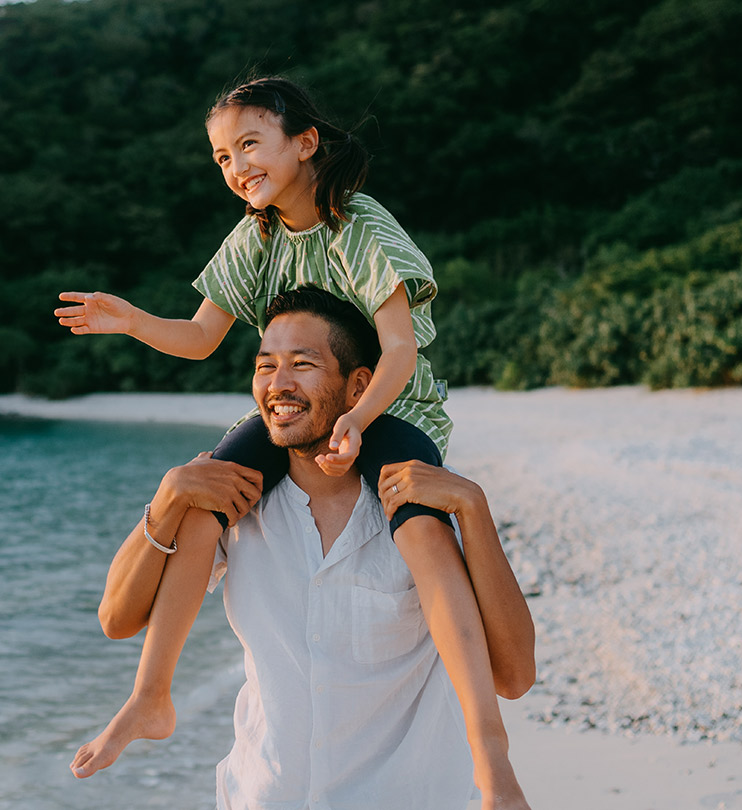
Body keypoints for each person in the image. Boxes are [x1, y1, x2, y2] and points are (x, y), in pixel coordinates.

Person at [57, 75, 465, 780]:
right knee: (204, 496)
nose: (236, 165)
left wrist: (361, 422)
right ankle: (151, 697)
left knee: (420, 521)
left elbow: (399, 348)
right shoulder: (255, 236)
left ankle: (482, 735)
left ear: (305, 142)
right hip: (295, 412)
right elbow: (199, 336)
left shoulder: (359, 223)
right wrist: (129, 322)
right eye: (221, 157)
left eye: (249, 143)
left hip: (390, 405)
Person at [78, 288, 536, 808]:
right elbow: (116, 618)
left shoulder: (423, 505)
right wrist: (169, 495)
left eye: (302, 364)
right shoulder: (235, 503)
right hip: (261, 796)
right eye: (265, 366)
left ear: (358, 386)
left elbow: (514, 675)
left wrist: (474, 508)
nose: (278, 385)